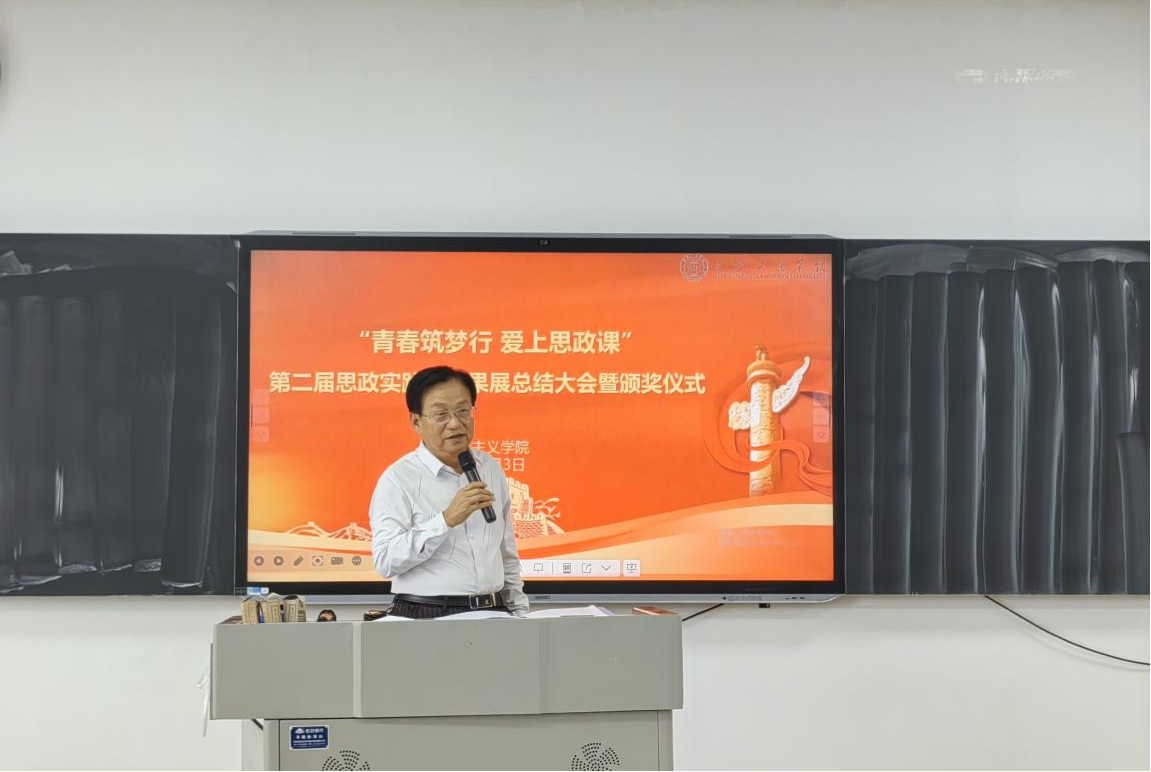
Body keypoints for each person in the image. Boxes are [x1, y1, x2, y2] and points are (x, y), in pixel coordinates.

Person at [368, 365, 528, 619]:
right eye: (441, 414)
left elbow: (505, 551)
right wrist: (445, 520)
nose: (455, 423)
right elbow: (386, 561)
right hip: (426, 613)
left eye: (463, 411)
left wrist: (519, 612)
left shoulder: (489, 467)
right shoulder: (398, 479)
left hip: (494, 610)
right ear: (416, 422)